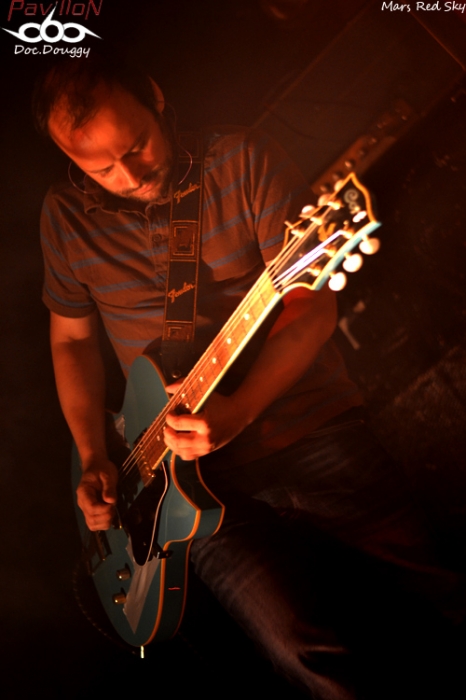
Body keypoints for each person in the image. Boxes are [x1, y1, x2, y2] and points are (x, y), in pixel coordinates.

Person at [34, 55, 464, 699]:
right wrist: (95, 454)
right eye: (102, 169)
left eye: (137, 146)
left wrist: (240, 410)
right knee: (306, 654)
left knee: (438, 593)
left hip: (310, 429)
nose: (130, 175)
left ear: (155, 98)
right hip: (184, 490)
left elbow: (312, 306)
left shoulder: (242, 161)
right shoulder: (65, 217)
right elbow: (70, 338)